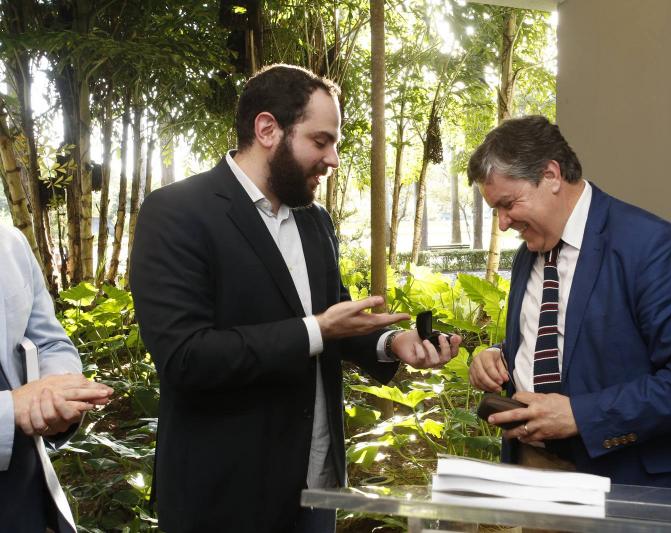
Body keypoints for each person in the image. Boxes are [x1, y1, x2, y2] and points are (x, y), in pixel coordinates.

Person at [129, 63, 461, 533]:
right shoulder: (177, 212)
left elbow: (334, 323)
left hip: (316, 486)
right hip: (226, 497)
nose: (333, 160)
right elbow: (186, 357)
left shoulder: (314, 219)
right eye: (321, 141)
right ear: (267, 129)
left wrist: (392, 344)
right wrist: (316, 330)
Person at [468, 115, 671, 490]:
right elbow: (569, 342)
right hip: (533, 479)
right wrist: (500, 355)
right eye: (495, 210)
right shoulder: (527, 256)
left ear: (551, 175)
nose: (502, 224)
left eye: (508, 204)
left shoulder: (652, 246)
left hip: (633, 488)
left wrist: (582, 416)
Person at [0, 224, 113, 532]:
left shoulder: (10, 242)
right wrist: (11, 409)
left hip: (22, 496)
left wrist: (57, 394)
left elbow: (50, 342)